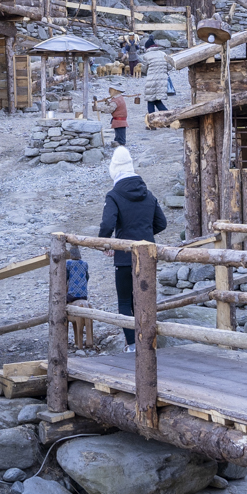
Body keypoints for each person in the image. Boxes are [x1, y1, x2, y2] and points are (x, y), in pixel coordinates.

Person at [97, 146, 166, 349]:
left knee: (125, 302)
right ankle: (148, 342)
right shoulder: (148, 194)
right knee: (145, 300)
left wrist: (105, 244)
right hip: (147, 256)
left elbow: (108, 224)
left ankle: (132, 345)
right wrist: (144, 233)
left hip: (124, 258)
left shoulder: (114, 195)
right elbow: (161, 223)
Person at [142, 44, 173, 114]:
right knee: (157, 100)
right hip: (162, 80)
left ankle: (152, 119)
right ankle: (168, 116)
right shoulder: (163, 54)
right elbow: (170, 67)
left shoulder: (146, 56)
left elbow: (143, 69)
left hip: (151, 80)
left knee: (150, 100)